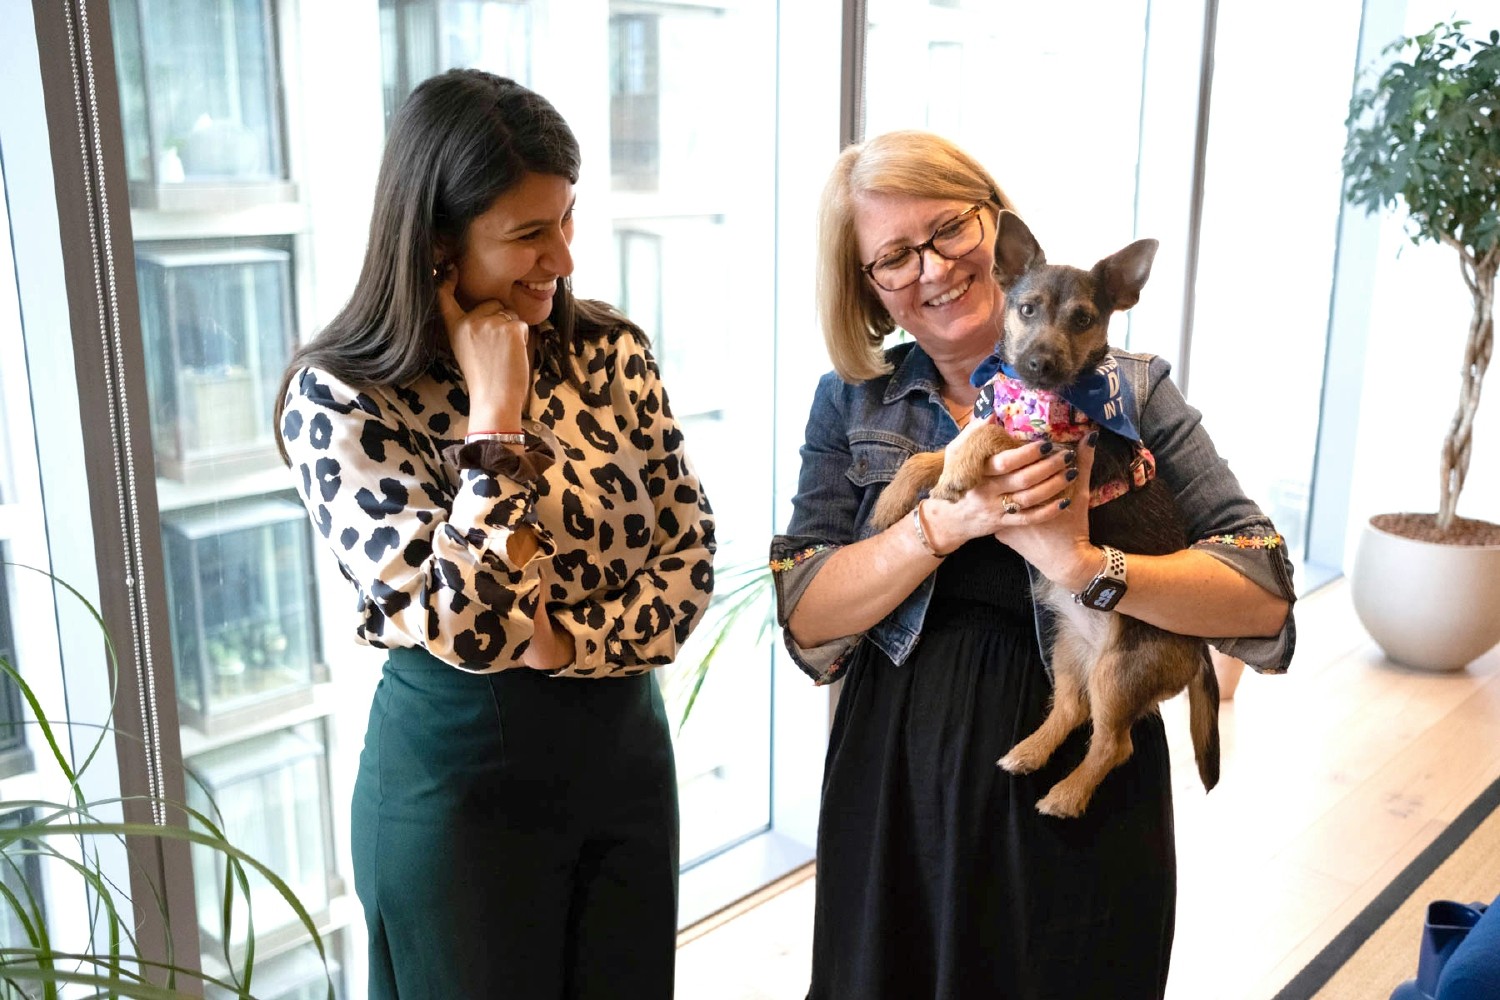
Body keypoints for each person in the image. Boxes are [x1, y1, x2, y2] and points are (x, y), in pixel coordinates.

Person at [769, 130, 1296, 1000]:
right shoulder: (853, 400)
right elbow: (807, 619)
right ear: (869, 288)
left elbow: (1264, 595)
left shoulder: (1132, 390)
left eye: (946, 231)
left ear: (994, 228)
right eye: (893, 258)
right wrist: (941, 525)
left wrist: (1089, 563)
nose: (932, 269)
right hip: (901, 766)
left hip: (1085, 730)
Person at [274, 69, 716, 999]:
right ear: (436, 244)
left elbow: (688, 558)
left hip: (625, 757)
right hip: (457, 786)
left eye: (565, 221)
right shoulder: (341, 398)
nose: (559, 258)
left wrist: (564, 642)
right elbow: (467, 627)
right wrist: (495, 419)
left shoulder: (611, 352)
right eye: (526, 234)